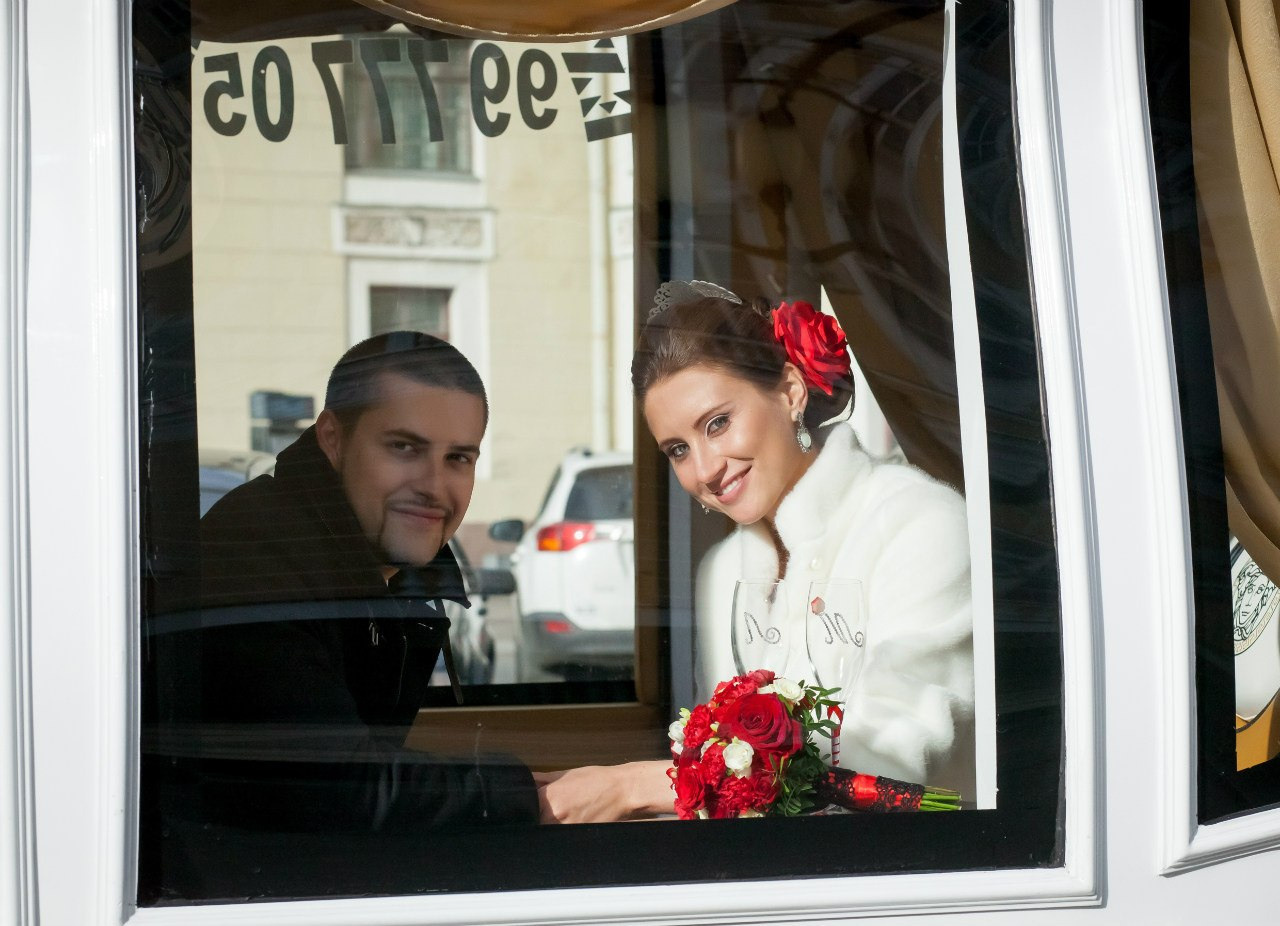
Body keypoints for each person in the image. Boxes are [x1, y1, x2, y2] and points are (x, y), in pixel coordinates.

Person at [538, 285, 974, 823]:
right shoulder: (722, 573)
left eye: (717, 423)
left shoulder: (922, 525)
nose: (704, 470)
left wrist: (632, 786)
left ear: (790, 391)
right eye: (679, 449)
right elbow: (729, 796)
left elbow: (891, 771)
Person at [149, 333, 539, 847]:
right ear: (332, 439)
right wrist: (551, 797)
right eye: (404, 447)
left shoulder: (374, 569)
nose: (433, 485)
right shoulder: (259, 555)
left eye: (458, 458)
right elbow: (340, 794)